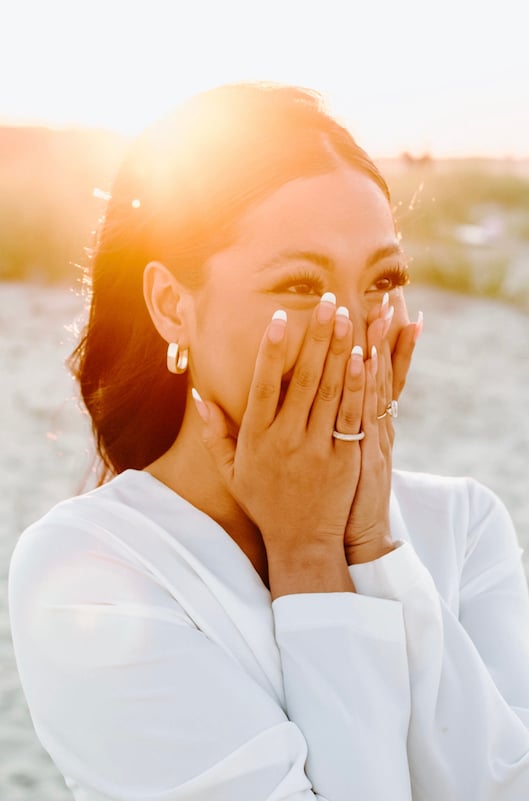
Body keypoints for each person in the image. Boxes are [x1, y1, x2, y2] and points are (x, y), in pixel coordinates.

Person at [8, 82, 529, 801]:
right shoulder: (94, 573)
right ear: (171, 305)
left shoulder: (466, 529)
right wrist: (308, 553)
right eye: (298, 285)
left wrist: (370, 541)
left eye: (383, 278)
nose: (350, 328)